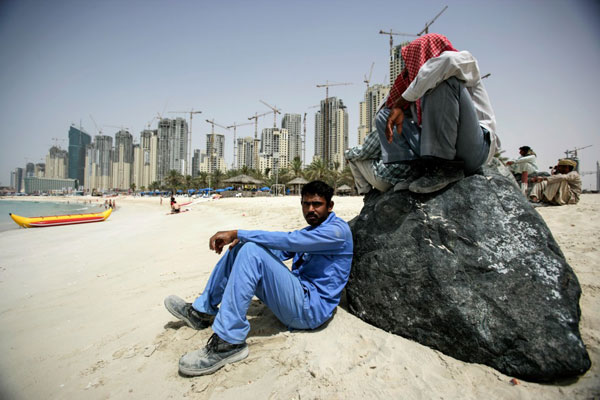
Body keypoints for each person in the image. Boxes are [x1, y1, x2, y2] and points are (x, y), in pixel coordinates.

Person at [164, 180, 353, 376]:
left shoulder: (336, 232)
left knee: (250, 249)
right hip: (298, 297)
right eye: (306, 204)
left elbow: (290, 241)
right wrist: (241, 241)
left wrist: (239, 233)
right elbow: (281, 251)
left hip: (310, 310)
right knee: (242, 247)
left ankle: (229, 342)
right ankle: (201, 312)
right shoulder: (313, 230)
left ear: (330, 206)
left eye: (317, 204)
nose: (310, 209)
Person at [349, 33, 500, 195]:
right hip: (432, 157)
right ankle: (415, 170)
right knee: (386, 115)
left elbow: (446, 63)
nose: (409, 66)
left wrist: (404, 99)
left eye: (411, 60)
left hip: (473, 150)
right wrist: (399, 105)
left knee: (442, 84)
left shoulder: (463, 62)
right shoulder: (415, 88)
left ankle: (446, 169)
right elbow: (384, 110)